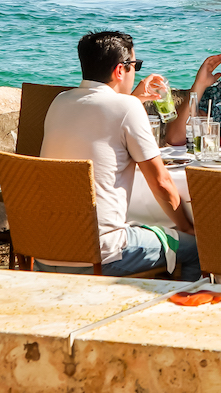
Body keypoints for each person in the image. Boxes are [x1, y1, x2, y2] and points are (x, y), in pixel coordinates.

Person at [38, 30, 200, 279]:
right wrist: (187, 227)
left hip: (45, 250)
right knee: (196, 248)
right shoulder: (127, 107)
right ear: (119, 70)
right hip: (103, 254)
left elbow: (103, 121)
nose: (136, 70)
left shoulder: (59, 101)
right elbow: (160, 183)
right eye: (135, 65)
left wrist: (132, 98)